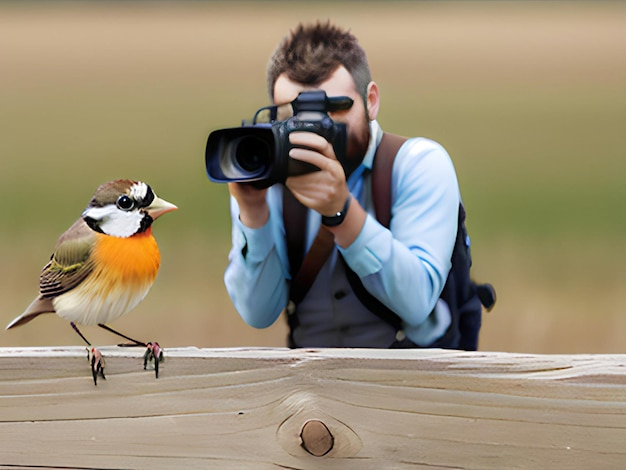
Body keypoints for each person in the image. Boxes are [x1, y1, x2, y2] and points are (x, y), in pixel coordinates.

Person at [224, 21, 462, 348]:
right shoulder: (264, 173)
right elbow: (258, 313)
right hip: (311, 387)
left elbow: (417, 302)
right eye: (293, 115)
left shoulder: (416, 164)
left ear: (371, 101)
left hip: (414, 382)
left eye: (332, 110)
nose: (312, 130)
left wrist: (344, 214)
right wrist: (253, 212)